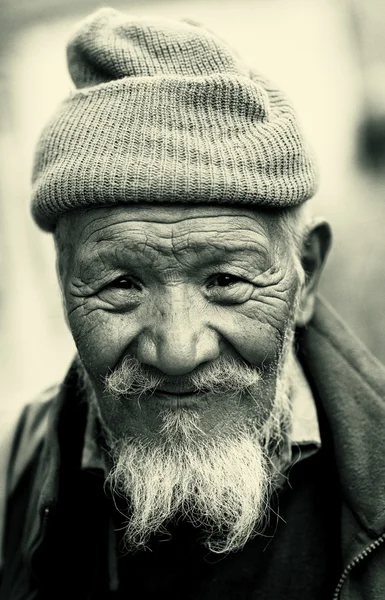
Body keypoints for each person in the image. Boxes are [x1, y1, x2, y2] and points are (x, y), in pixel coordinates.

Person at [1, 8, 384, 600]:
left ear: (304, 275)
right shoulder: (11, 481)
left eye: (226, 280)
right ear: (62, 283)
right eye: (122, 285)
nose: (177, 351)